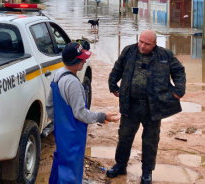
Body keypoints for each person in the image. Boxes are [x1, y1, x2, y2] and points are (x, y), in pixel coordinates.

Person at [107, 30, 186, 184]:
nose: (142, 46)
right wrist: (112, 85)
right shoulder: (129, 51)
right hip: (130, 104)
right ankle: (120, 165)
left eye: (147, 44)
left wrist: (179, 91)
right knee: (124, 137)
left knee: (150, 140)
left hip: (153, 107)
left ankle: (147, 172)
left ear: (155, 44)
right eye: (140, 41)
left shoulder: (165, 55)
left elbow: (179, 71)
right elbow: (117, 68)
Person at [47, 42, 119, 184]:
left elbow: (50, 105)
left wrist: (60, 125)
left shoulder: (58, 75)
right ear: (74, 61)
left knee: (61, 163)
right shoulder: (73, 83)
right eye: (82, 59)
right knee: (72, 171)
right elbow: (80, 114)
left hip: (62, 133)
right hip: (73, 135)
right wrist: (102, 116)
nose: (84, 61)